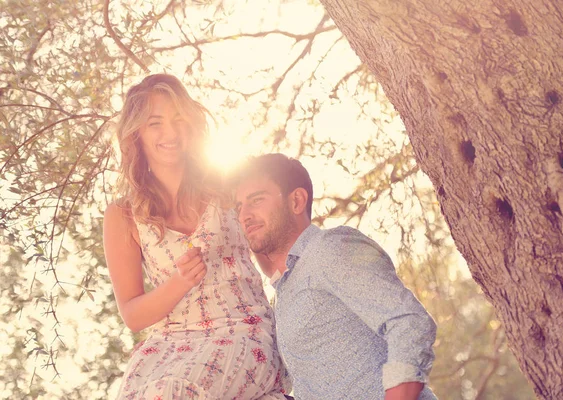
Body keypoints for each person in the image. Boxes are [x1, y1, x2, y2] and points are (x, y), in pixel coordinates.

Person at [103, 74, 289, 399]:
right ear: (137, 134)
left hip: (242, 332)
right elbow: (133, 315)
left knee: (171, 394)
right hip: (166, 349)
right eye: (155, 123)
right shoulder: (123, 216)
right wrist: (180, 282)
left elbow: (274, 256)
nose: (171, 133)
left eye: (178, 119)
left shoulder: (228, 184)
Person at [232, 153, 438, 400]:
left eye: (256, 200)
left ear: (296, 201)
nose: (244, 215)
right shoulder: (284, 291)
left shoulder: (329, 249)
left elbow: (408, 321)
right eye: (239, 207)